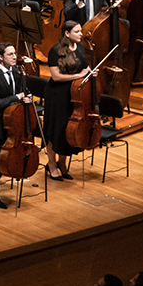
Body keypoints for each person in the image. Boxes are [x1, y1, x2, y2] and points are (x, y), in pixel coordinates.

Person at [0, 42, 35, 210]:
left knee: (1, 163)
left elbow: (24, 91)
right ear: (0, 57)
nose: (14, 57)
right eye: (10, 54)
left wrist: (27, 98)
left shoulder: (18, 73)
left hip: (11, 126)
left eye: (14, 53)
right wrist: (17, 97)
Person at [44, 21, 90, 182]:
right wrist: (78, 76)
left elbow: (85, 68)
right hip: (57, 95)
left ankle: (62, 164)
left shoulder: (81, 48)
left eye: (80, 31)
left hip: (74, 95)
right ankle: (51, 164)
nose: (81, 34)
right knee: (54, 130)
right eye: (77, 31)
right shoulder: (54, 51)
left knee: (66, 131)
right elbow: (56, 77)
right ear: (67, 33)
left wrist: (90, 73)